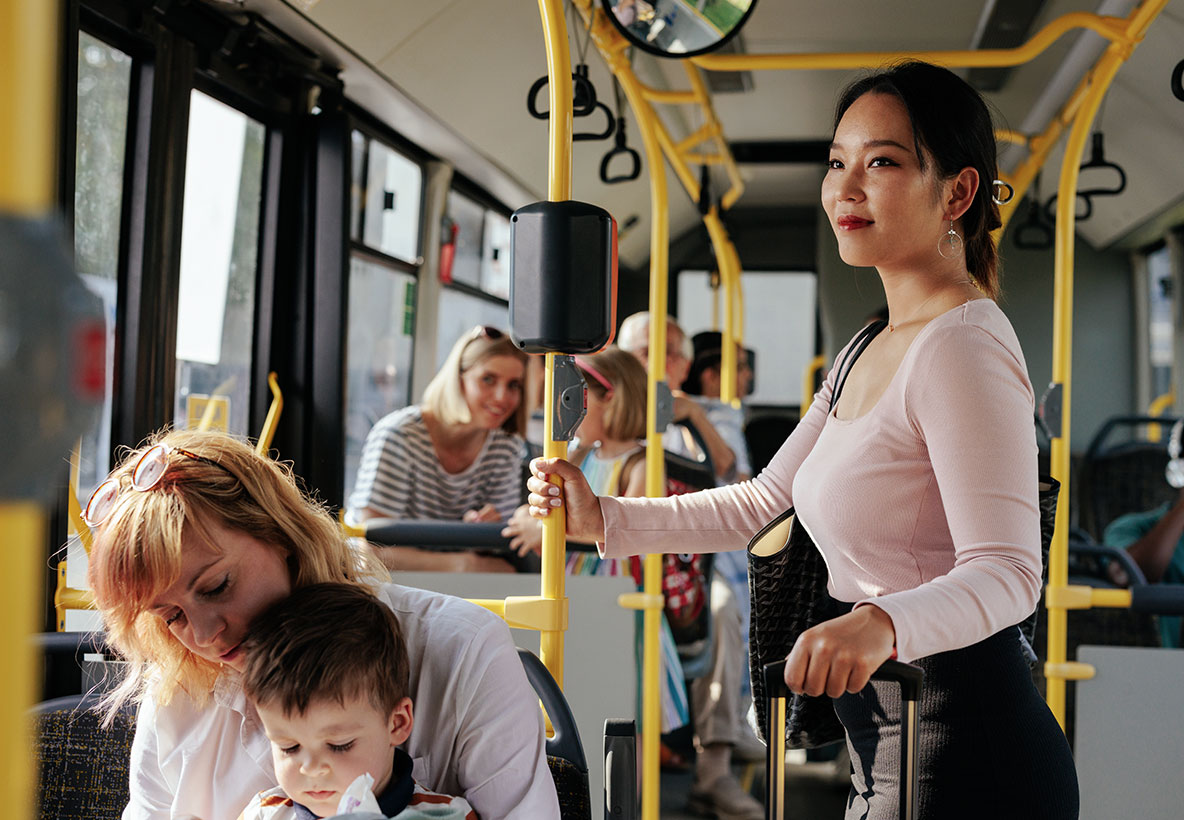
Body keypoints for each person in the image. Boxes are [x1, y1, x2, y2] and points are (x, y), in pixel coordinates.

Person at [527, 62, 1078, 819]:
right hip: (885, 739)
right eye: (836, 163)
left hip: (963, 745)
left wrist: (883, 620)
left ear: (957, 191)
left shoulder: (963, 345)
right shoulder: (869, 345)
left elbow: (1011, 572)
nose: (845, 188)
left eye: (881, 161)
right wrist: (607, 522)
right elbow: (766, 499)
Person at [85, 429, 558, 820]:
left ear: (280, 532)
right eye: (171, 616)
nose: (205, 635)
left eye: (216, 587)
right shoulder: (178, 693)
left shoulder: (461, 650)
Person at [238, 583, 476, 820]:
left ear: (397, 724)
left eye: (339, 745)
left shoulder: (447, 815)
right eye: (289, 747)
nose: (310, 768)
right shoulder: (264, 814)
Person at [348, 325, 528, 573]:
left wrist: (476, 531)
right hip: (391, 576)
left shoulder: (505, 445)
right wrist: (460, 563)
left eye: (513, 385)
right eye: (488, 379)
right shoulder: (398, 436)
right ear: (457, 379)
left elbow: (501, 542)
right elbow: (367, 549)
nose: (502, 397)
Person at [617, 311, 738, 480]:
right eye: (647, 352)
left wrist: (695, 416)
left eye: (670, 353)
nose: (658, 363)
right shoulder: (605, 409)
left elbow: (732, 475)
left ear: (686, 367)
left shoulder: (714, 411)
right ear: (624, 363)